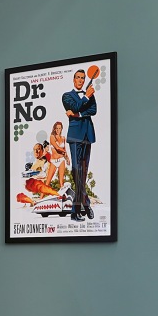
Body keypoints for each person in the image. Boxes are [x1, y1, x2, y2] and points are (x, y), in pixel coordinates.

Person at [61, 70, 98, 221]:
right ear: (73, 79)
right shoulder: (67, 96)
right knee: (77, 171)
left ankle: (75, 213)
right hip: (75, 137)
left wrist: (78, 115)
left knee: (82, 174)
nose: (81, 80)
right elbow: (74, 106)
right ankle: (86, 205)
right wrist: (86, 97)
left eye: (83, 78)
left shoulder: (88, 93)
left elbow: (93, 110)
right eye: (78, 78)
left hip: (87, 136)